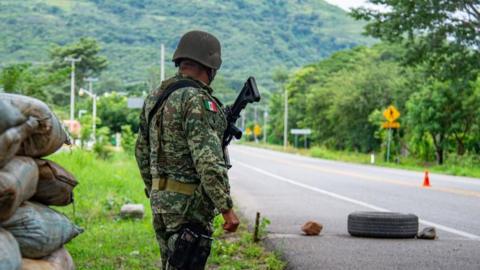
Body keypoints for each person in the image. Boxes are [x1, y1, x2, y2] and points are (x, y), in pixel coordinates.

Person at [135, 30, 240, 270]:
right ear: (211, 65)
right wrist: (226, 208)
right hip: (188, 207)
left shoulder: (155, 96)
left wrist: (154, 188)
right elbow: (208, 160)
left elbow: (141, 149)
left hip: (161, 202)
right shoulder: (196, 100)